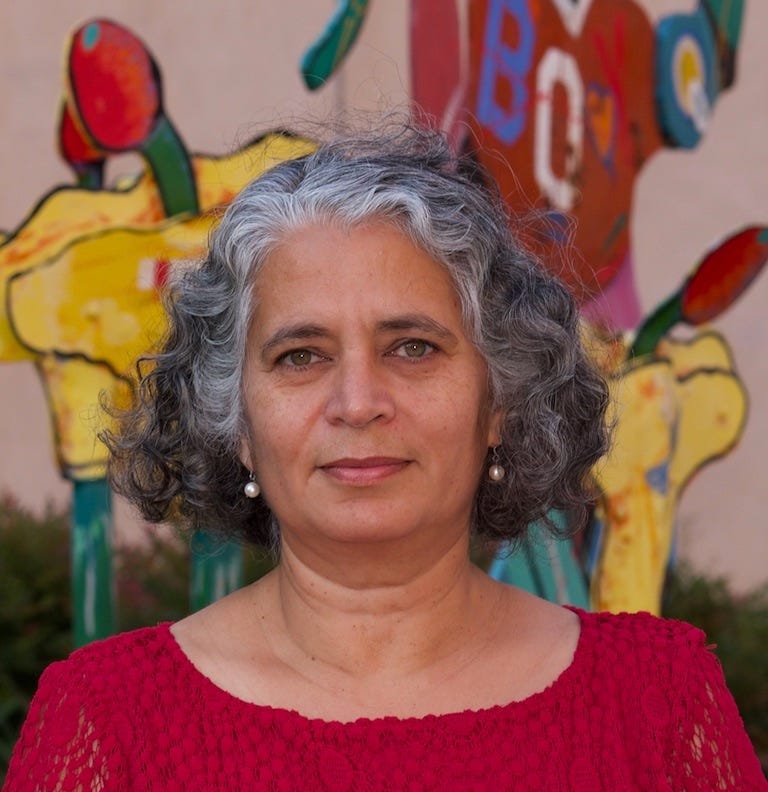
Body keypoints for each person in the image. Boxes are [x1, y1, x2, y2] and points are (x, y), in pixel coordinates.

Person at [5, 125, 765, 790]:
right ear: (233, 419)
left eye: (413, 347)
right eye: (301, 356)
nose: (358, 401)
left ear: (499, 399)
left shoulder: (657, 700)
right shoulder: (106, 723)